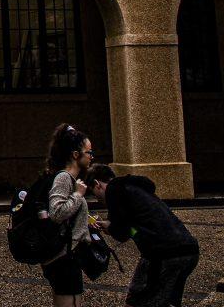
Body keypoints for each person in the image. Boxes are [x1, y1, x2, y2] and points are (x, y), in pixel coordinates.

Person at [87, 164, 200, 307]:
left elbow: (121, 234)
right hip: (188, 250)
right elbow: (133, 228)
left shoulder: (114, 190)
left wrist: (111, 227)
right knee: (168, 302)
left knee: (136, 301)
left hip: (162, 254)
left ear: (97, 184)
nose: (97, 199)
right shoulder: (134, 188)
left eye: (93, 193)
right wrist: (113, 225)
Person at [41, 124, 96, 307]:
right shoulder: (63, 178)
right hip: (64, 256)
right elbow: (57, 212)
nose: (91, 157)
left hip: (68, 253)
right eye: (88, 152)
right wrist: (78, 195)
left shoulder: (70, 180)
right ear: (75, 155)